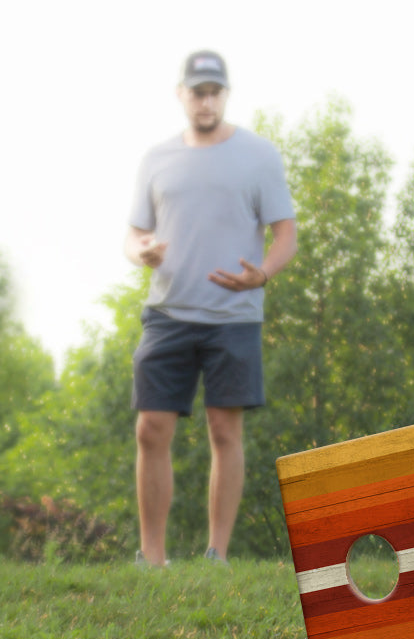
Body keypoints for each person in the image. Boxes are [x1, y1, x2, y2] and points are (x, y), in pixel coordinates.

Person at [125, 49, 297, 567]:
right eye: (197, 91)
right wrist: (142, 252)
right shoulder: (156, 158)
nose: (205, 100)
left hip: (233, 316)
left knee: (225, 430)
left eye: (214, 91)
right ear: (182, 95)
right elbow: (134, 234)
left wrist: (262, 273)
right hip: (168, 314)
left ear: (225, 95)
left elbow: (286, 233)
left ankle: (216, 554)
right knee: (150, 428)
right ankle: (152, 557)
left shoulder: (259, 155)